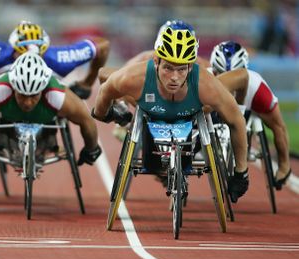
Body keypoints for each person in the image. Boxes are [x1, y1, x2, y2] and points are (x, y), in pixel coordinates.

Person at [92, 23, 250, 203]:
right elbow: (106, 85)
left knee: (220, 116)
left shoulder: (207, 84)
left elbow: (237, 120)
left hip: (191, 119)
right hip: (150, 115)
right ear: (156, 61)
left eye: (181, 69)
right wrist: (104, 113)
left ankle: (177, 165)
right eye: (168, 68)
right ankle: (162, 167)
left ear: (191, 66)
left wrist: (241, 172)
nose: (174, 77)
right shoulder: (134, 76)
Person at [0, 52, 101, 167]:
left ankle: (48, 147)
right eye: (22, 95)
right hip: (7, 124)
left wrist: (91, 148)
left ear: (43, 88)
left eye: (34, 95)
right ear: (13, 87)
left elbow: (86, 120)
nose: (28, 103)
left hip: (46, 126)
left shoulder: (58, 94)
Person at [0, 20, 110, 99]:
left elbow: (103, 45)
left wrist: (88, 83)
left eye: (36, 57)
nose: (29, 61)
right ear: (13, 50)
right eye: (22, 56)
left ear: (45, 49)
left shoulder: (60, 59)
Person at [210, 40, 291, 190]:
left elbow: (279, 127)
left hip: (250, 100)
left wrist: (283, 165)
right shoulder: (207, 80)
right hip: (219, 108)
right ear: (214, 72)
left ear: (243, 71)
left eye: (235, 76)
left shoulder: (257, 87)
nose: (230, 83)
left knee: (277, 125)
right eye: (222, 75)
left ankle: (285, 166)